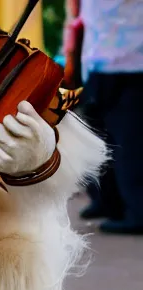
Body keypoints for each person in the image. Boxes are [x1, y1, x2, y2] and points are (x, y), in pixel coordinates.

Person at [63, 0, 143, 234]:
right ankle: (108, 201)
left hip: (130, 61)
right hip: (100, 58)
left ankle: (138, 210)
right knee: (98, 134)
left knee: (129, 141)